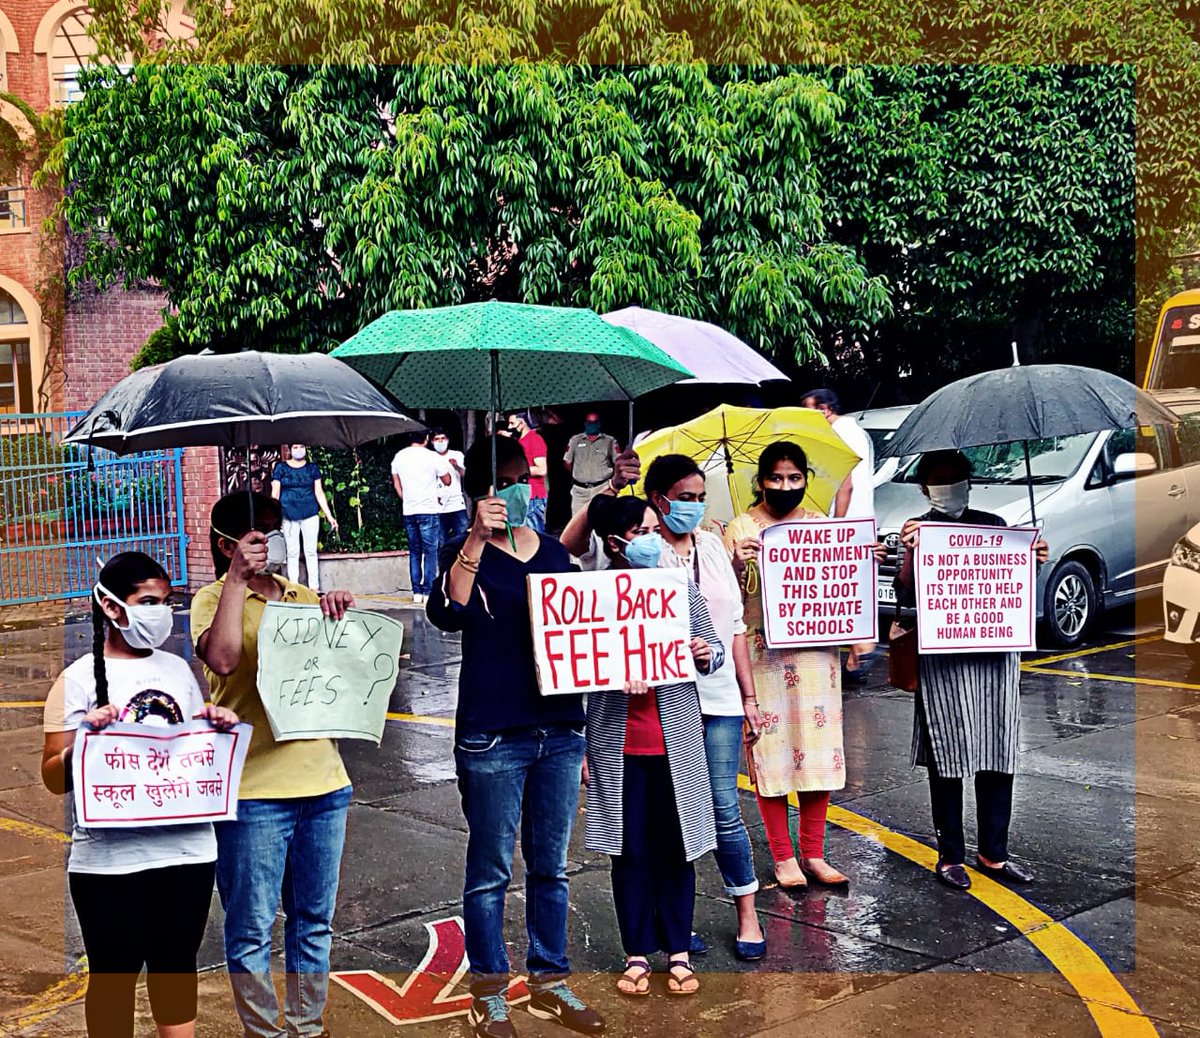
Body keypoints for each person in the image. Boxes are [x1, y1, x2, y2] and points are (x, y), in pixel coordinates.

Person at [426, 435, 605, 1038]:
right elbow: (448, 612)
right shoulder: (460, 550)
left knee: (551, 866)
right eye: (503, 478)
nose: (517, 487)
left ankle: (551, 980)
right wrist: (476, 536)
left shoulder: (554, 552)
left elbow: (591, 628)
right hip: (492, 736)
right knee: (491, 870)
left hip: (559, 731)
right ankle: (489, 991)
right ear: (479, 489)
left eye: (523, 475)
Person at [41, 551, 238, 1038]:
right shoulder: (77, 680)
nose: (160, 612)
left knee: (176, 969)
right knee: (113, 980)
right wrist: (84, 739)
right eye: (148, 601)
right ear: (111, 607)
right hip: (108, 865)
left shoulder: (177, 669)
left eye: (167, 601)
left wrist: (218, 728)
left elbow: (191, 749)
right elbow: (51, 776)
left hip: (188, 853)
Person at [191, 491, 357, 1038]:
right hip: (254, 790)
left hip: (324, 783)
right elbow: (222, 659)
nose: (271, 538)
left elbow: (338, 672)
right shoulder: (211, 598)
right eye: (258, 531)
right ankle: (262, 1032)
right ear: (226, 544)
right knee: (251, 929)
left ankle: (307, 1026)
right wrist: (237, 580)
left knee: (313, 924)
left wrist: (335, 613)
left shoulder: (300, 594)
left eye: (274, 526)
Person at [583, 494, 722, 998]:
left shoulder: (680, 591)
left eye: (653, 530)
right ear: (615, 541)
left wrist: (706, 652)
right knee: (629, 850)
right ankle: (637, 953)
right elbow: (573, 669)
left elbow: (715, 651)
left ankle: (679, 952)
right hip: (616, 746)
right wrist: (612, 677)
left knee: (678, 848)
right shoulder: (592, 596)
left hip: (677, 744)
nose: (652, 539)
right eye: (641, 531)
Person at [893, 449, 1049, 891]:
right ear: (924, 489)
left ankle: (993, 854)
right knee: (948, 755)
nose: (949, 487)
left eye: (955, 477)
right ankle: (951, 855)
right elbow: (905, 589)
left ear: (969, 482)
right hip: (943, 660)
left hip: (995, 658)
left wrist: (1032, 555)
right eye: (938, 480)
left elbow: (1012, 586)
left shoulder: (995, 526)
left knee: (998, 751)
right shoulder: (918, 530)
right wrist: (909, 551)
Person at [641, 454, 766, 960]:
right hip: (663, 704)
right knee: (674, 816)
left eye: (699, 498)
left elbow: (735, 627)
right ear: (658, 498)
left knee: (722, 809)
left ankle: (748, 912)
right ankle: (676, 925)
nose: (692, 507)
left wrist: (750, 696)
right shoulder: (641, 551)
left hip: (718, 702)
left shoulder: (713, 546)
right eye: (683, 498)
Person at [725, 442, 861, 889]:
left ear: (806, 480)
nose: (785, 486)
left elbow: (844, 588)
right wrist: (734, 561)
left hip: (817, 656)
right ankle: (784, 857)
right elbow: (722, 600)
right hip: (762, 656)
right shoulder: (739, 528)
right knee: (772, 753)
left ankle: (815, 853)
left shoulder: (822, 527)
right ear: (761, 481)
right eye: (776, 478)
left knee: (817, 753)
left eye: (794, 478)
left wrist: (863, 561)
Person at [802, 389, 880, 686]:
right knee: (854, 587)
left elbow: (844, 483)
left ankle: (859, 650)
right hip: (861, 523)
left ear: (824, 409)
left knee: (839, 589)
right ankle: (860, 649)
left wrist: (835, 526)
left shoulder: (838, 433)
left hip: (846, 524)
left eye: (808, 409)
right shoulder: (857, 431)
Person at [391, 428, 450, 604]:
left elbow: (397, 484)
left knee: (415, 552)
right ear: (426, 439)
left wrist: (407, 499)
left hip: (409, 510)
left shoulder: (399, 456)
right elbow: (447, 480)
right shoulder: (432, 457)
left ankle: (416, 592)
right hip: (429, 509)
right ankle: (428, 591)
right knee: (430, 552)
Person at [270, 444, 338, 591]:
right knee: (292, 552)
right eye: (295, 447)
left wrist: (329, 515)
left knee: (311, 551)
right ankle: (293, 587)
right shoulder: (281, 468)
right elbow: (275, 493)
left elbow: (319, 492)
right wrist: (274, 517)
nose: (299, 449)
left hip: (310, 513)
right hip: (287, 514)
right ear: (290, 449)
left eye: (301, 446)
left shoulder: (312, 468)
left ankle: (314, 587)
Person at [564, 412, 618, 516]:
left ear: (599, 424)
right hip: (580, 491)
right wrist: (580, 475)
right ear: (585, 423)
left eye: (595, 422)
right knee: (577, 523)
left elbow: (617, 462)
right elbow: (567, 462)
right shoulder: (575, 440)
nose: (592, 425)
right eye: (589, 422)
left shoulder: (609, 441)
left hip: (602, 488)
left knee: (602, 520)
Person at [507, 410, 549, 533]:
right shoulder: (520, 441)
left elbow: (542, 469)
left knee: (535, 535)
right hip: (522, 495)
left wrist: (518, 470)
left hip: (533, 496)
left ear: (522, 422)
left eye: (512, 423)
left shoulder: (534, 439)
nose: (509, 427)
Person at [431, 428, 469, 541]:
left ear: (448, 440)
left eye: (443, 438)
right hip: (438, 505)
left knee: (462, 536)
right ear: (432, 442)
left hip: (456, 502)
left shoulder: (457, 455)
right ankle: (443, 559)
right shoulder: (429, 457)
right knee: (441, 539)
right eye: (437, 439)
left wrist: (457, 466)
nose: (440, 441)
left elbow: (465, 474)